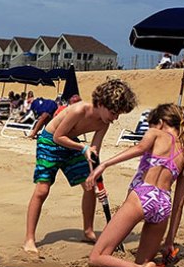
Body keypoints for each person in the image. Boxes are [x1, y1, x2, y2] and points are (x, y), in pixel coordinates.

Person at [84, 103, 184, 267]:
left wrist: (104, 164)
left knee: (96, 257)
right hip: (163, 203)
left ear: (161, 122)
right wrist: (169, 240)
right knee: (144, 265)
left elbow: (139, 148)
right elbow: (179, 203)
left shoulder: (156, 134)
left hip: (142, 195)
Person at [22, 78, 138, 253]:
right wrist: (83, 148)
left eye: (118, 115)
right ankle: (29, 239)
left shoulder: (103, 122)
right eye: (114, 113)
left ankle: (88, 231)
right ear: (101, 103)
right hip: (50, 142)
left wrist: (96, 179)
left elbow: (94, 153)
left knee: (89, 187)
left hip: (72, 145)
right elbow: (58, 137)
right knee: (42, 189)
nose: (115, 118)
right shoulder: (79, 109)